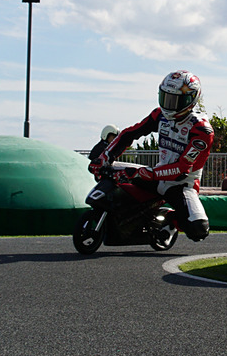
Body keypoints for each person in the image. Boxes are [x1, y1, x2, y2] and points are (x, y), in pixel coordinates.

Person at [89, 70, 215, 242]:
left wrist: (146, 173)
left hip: (181, 184)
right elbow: (130, 133)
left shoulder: (202, 130)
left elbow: (182, 168)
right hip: (155, 175)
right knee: (105, 169)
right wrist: (105, 157)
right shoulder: (159, 115)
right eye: (165, 98)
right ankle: (122, 217)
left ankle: (169, 218)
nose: (168, 105)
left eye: (174, 100)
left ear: (190, 100)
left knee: (199, 229)